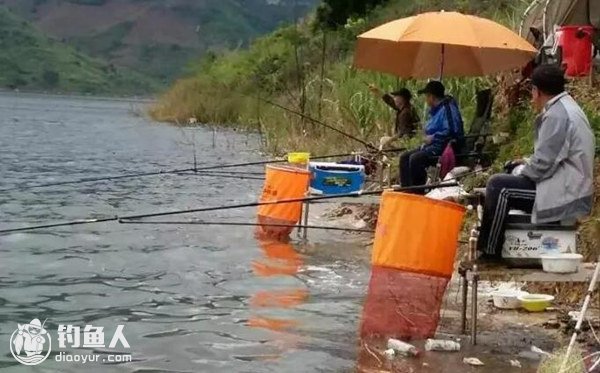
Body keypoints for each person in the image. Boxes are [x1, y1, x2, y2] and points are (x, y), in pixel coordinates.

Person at [477, 65, 595, 260]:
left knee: (499, 186)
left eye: (532, 91)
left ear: (537, 91)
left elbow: (542, 165)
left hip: (568, 193)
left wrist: (521, 169)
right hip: (567, 185)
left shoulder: (558, 115)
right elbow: (553, 156)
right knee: (506, 178)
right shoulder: (565, 107)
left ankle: (490, 252)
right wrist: (522, 163)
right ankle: (494, 247)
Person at [398, 81, 464, 191]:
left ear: (432, 97)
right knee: (404, 157)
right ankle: (407, 190)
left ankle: (417, 192)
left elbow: (453, 131)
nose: (426, 99)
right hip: (432, 146)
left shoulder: (448, 109)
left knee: (416, 159)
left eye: (426, 96)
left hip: (443, 146)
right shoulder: (436, 110)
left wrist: (434, 137)